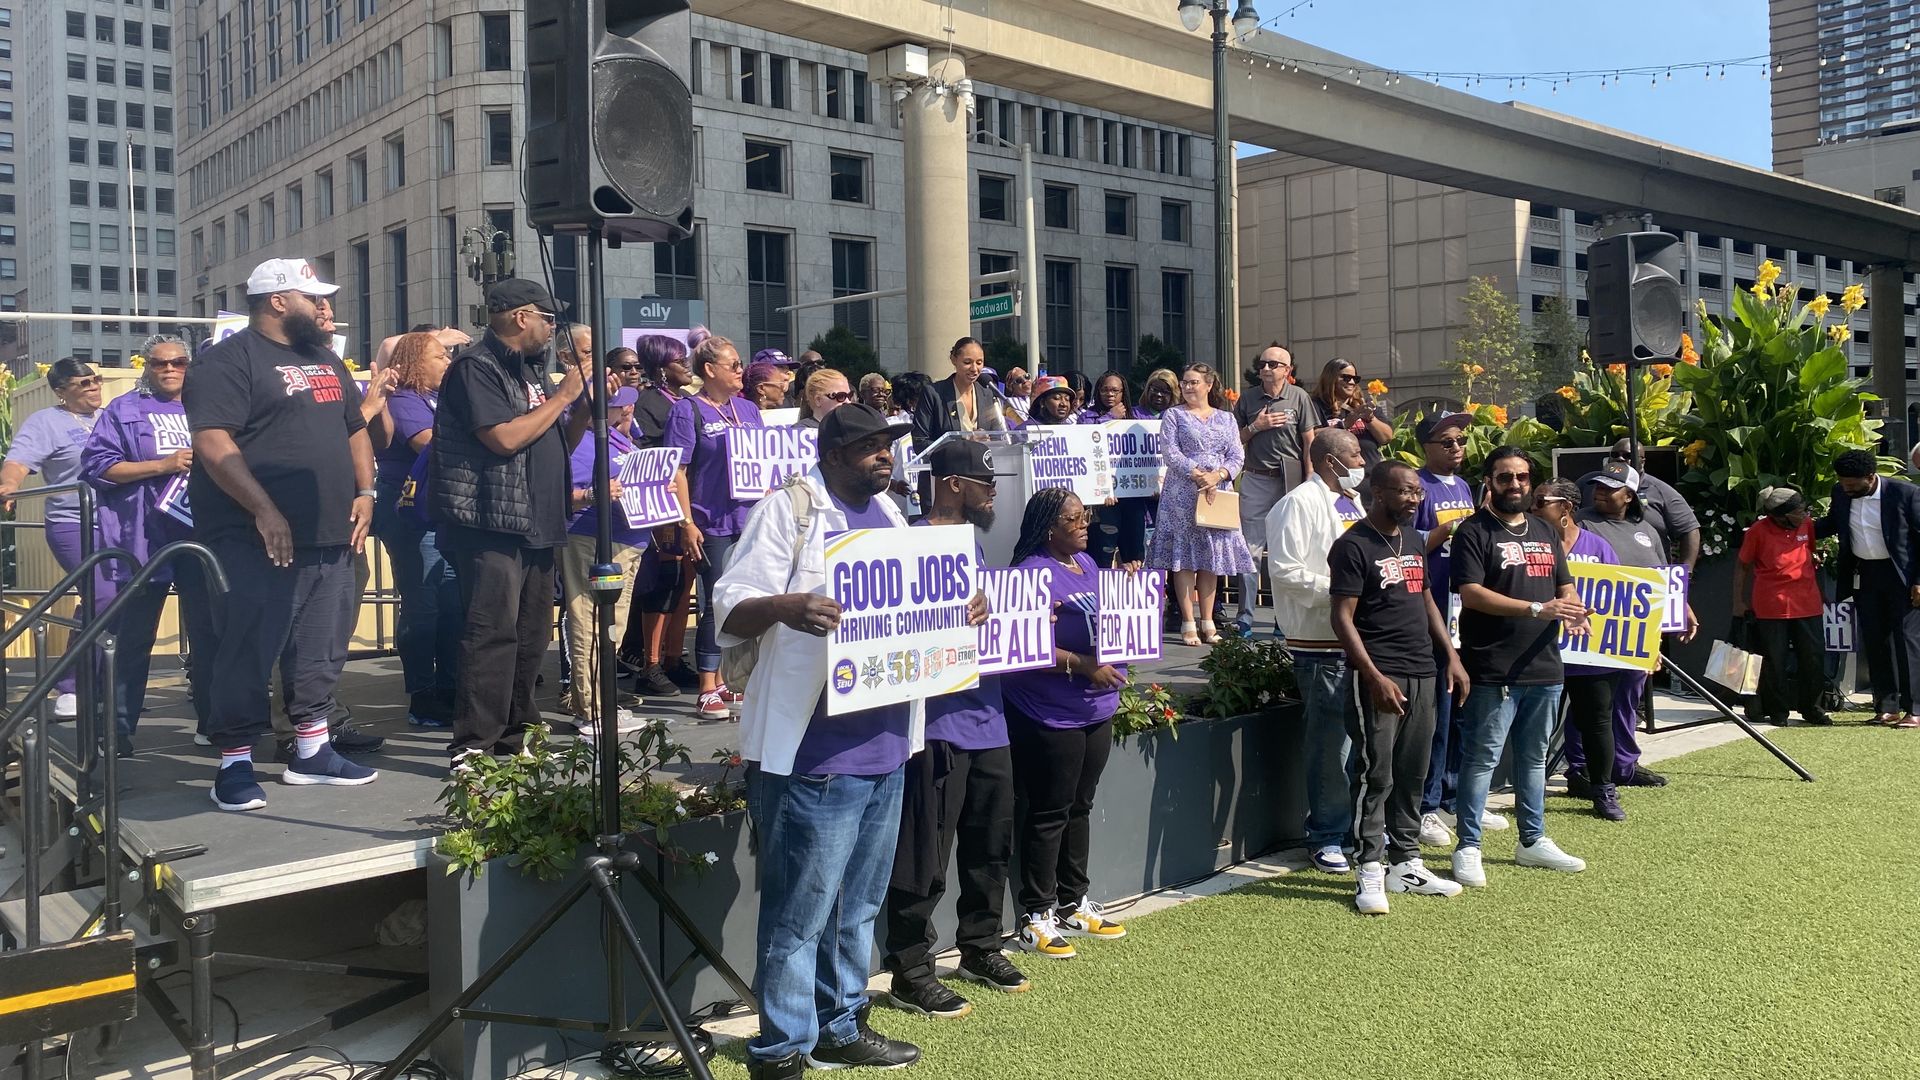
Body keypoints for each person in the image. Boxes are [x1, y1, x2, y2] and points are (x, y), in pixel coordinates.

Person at [715, 404, 964, 1077]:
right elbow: (728, 603)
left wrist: (959, 608)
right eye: (870, 445)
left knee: (856, 910)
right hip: (813, 757)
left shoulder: (890, 518)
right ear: (831, 453)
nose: (886, 455)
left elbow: (911, 615)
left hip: (885, 746)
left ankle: (841, 1024)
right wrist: (788, 608)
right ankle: (781, 1050)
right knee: (798, 916)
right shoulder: (789, 510)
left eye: (890, 445)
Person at [185, 258, 378, 811]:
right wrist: (265, 510)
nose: (323, 308)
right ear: (276, 301)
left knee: (320, 647)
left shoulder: (325, 360)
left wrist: (367, 492)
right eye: (312, 298)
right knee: (247, 646)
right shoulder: (226, 361)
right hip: (252, 536)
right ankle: (235, 764)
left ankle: (312, 752)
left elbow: (355, 429)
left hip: (331, 532)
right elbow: (215, 445)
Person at [879, 439, 1028, 1017]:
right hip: (936, 722)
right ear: (951, 484)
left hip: (989, 717)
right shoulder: (908, 538)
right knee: (926, 855)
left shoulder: (972, 540)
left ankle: (980, 946)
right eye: (984, 483)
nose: (992, 493)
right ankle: (911, 969)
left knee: (990, 847)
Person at [432, 278, 591, 761]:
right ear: (522, 317)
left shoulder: (529, 371)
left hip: (537, 520)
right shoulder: (475, 367)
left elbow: (555, 441)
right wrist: (562, 398)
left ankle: (516, 733)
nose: (551, 329)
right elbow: (501, 439)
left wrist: (580, 404)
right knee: (492, 632)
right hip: (491, 522)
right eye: (547, 319)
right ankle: (474, 745)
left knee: (530, 633)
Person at [1329, 460, 1470, 913]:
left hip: (1423, 671)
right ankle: (1368, 869)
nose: (1414, 498)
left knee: (1413, 773)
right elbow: (1342, 617)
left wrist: (1450, 655)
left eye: (1417, 492)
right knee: (1377, 774)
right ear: (1378, 492)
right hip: (1379, 674)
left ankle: (1405, 862)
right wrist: (1373, 676)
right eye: (1405, 491)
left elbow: (1426, 596)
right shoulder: (1352, 545)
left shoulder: (1413, 539)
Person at [1448, 447, 1590, 884]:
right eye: (1505, 477)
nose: (1515, 485)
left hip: (1544, 663)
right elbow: (1470, 593)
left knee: (1533, 759)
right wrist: (1535, 609)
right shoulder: (1473, 532)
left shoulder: (1545, 531)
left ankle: (1533, 840)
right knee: (1481, 759)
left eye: (1522, 478)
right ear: (1489, 482)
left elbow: (1564, 585)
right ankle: (1468, 846)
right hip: (1492, 665)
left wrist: (1573, 609)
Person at [1003, 487, 1130, 960]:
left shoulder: (1090, 566)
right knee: (1049, 810)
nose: (1085, 525)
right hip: (1048, 711)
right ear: (1048, 527)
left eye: (1086, 517)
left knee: (1080, 805)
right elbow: (1022, 643)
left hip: (1096, 708)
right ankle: (1036, 914)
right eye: (1074, 519)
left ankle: (1074, 902)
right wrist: (1080, 664)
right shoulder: (1030, 574)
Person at [79, 335, 217, 754]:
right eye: (160, 364)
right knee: (133, 639)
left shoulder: (211, 408)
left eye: (178, 362)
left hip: (202, 538)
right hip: (143, 539)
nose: (170, 369)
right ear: (148, 368)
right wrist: (163, 464)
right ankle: (116, 731)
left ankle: (214, 724)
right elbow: (97, 467)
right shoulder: (125, 409)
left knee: (211, 635)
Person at [1268, 428, 1366, 873]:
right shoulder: (1296, 505)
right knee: (1331, 746)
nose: (1362, 463)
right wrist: (1343, 593)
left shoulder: (1353, 502)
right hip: (1319, 641)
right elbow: (1285, 572)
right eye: (1357, 456)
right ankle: (1326, 834)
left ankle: (1353, 829)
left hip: (1360, 639)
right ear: (1332, 461)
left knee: (1358, 743)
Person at [666, 336, 765, 719]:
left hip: (750, 518)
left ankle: (729, 677)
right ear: (709, 369)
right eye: (734, 365)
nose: (742, 372)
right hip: (711, 521)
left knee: (748, 599)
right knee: (715, 599)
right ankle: (707, 683)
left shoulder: (748, 409)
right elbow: (679, 471)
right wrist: (686, 521)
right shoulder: (687, 410)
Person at [368, 332, 463, 729]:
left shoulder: (441, 399)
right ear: (414, 363)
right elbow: (429, 443)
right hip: (411, 513)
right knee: (423, 605)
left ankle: (451, 687)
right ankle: (423, 697)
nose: (447, 362)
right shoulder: (405, 400)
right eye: (440, 356)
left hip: (443, 513)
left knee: (452, 604)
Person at [1572, 461, 1687, 789]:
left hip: (1637, 632)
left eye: (1610, 488)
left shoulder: (1648, 531)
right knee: (1590, 704)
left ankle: (1625, 765)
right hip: (1593, 632)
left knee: (1628, 700)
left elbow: (1663, 577)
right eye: (1598, 486)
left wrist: (1682, 608)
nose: (1601, 493)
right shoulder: (1583, 524)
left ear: (1630, 496)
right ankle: (1581, 767)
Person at [2, 357, 106, 718]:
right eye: (84, 384)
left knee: (110, 598)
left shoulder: (110, 417)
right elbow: (19, 459)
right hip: (72, 522)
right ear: (61, 392)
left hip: (117, 523)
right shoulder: (46, 422)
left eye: (96, 380)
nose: (94, 387)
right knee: (101, 591)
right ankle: (72, 685)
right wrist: (9, 485)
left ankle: (105, 680)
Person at [556, 384, 649, 737]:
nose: (627, 412)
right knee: (590, 621)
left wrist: (658, 487)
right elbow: (564, 492)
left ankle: (602, 702)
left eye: (629, 406)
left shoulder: (615, 437)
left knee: (612, 625)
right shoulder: (580, 439)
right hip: (592, 537)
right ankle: (591, 708)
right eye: (620, 406)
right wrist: (596, 492)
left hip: (625, 540)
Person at [1533, 479, 1628, 821]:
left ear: (1565, 509)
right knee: (1535, 725)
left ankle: (1603, 789)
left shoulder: (1599, 547)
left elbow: (1622, 603)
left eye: (1541, 501)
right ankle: (1530, 790)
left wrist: (1642, 646)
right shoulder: (1529, 543)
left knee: (1598, 722)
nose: (1533, 507)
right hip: (1540, 652)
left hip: (1591, 655)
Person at [1147, 363, 1255, 646]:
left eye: (1194, 382)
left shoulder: (1226, 419)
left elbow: (1236, 455)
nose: (1188, 387)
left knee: (1210, 558)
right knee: (1183, 560)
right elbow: (1170, 452)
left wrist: (1218, 475)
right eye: (1184, 382)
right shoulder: (1174, 415)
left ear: (1209, 385)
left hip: (1216, 492)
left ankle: (1208, 620)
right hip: (1182, 492)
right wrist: (1198, 473)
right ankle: (1187, 620)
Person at [1412, 412, 1481, 847]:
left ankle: (1454, 797)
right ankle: (1427, 805)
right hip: (1430, 606)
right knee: (1437, 712)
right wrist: (1453, 526)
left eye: (1461, 439)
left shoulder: (1465, 486)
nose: (1457, 446)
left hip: (1463, 607)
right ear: (1427, 446)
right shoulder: (1417, 485)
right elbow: (1409, 543)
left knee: (1461, 709)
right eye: (1447, 440)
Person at [1818, 449, 1920, 728]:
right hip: (1865, 574)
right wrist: (1795, 528)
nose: (1846, 488)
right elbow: (1832, 523)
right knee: (1875, 641)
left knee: (1906, 640)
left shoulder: (1905, 493)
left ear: (1871, 477)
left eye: (1852, 484)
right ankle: (1887, 707)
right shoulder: (1841, 493)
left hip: (1903, 575)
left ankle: (1915, 709)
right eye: (1842, 483)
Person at [623, 334, 699, 698]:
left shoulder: (684, 400)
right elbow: (645, 450)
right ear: (660, 367)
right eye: (679, 360)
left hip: (688, 500)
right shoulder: (646, 402)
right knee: (665, 579)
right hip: (660, 502)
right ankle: (648, 664)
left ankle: (672, 658)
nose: (687, 365)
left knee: (685, 582)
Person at [1233, 344, 1316, 637]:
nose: (1265, 368)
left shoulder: (1299, 397)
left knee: (1287, 551)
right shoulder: (1248, 398)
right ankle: (1244, 617)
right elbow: (1234, 440)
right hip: (1256, 478)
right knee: (1249, 551)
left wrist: (1309, 482)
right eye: (1262, 364)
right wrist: (1257, 426)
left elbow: (1309, 443)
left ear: (1287, 370)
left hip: (1290, 481)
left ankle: (1284, 618)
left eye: (1273, 364)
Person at [1735, 486, 1831, 727]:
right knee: (1773, 660)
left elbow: (1809, 555)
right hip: (1771, 604)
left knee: (1813, 657)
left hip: (1807, 602)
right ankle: (1778, 711)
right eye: (1800, 511)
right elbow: (1742, 566)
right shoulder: (1757, 532)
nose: (1805, 514)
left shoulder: (1806, 525)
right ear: (1780, 515)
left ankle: (1811, 707)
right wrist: (1738, 601)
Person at [1582, 439, 1702, 570]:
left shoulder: (1660, 494)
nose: (1620, 459)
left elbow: (1689, 529)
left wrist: (1684, 574)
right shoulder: (1586, 488)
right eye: (1615, 455)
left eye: (1628, 456)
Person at [912, 337, 1009, 450]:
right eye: (967, 362)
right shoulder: (933, 394)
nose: (974, 369)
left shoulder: (987, 394)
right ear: (954, 359)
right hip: (948, 466)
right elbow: (920, 442)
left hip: (982, 465)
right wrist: (964, 443)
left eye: (979, 362)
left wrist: (989, 440)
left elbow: (998, 437)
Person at [1309, 358, 1394, 467]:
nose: (1352, 382)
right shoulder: (1315, 405)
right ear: (1330, 378)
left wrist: (1370, 418)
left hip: (1369, 476)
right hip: (1336, 476)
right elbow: (1310, 436)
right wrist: (1343, 425)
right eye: (1346, 378)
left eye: (1355, 379)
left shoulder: (1365, 404)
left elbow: (1386, 438)